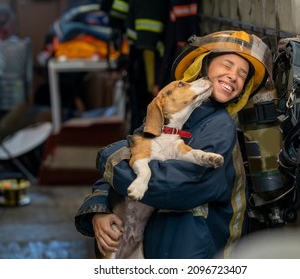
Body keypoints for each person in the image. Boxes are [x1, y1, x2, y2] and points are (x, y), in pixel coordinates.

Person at [75, 30, 273, 258]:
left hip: (192, 253)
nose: (233, 76)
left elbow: (175, 186)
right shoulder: (174, 112)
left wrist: (110, 157)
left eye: (242, 74)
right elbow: (134, 156)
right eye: (227, 65)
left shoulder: (220, 127)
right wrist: (99, 210)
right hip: (152, 248)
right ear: (203, 65)